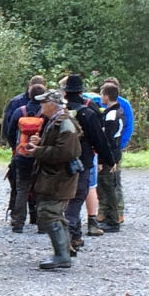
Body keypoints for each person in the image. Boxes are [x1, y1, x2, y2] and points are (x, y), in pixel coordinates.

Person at [28, 88, 82, 269]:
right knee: (54, 213)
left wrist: (38, 151)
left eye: (43, 102)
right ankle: (64, 252)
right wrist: (40, 144)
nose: (41, 105)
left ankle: (62, 256)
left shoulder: (65, 124)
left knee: (49, 212)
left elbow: (66, 152)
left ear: (52, 105)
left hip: (59, 178)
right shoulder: (57, 121)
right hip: (54, 176)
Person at [62, 74, 115, 254]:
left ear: (65, 92)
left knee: (67, 199)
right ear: (81, 91)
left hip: (60, 162)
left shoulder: (59, 111)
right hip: (83, 161)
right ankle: (68, 239)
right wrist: (108, 160)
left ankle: (76, 236)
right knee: (77, 198)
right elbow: (100, 139)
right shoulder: (89, 110)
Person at [4, 76, 46, 231]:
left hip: (22, 154)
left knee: (22, 188)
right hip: (41, 155)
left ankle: (18, 223)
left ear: (29, 94)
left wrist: (15, 148)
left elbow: (9, 132)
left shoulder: (19, 111)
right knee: (41, 188)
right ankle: (41, 223)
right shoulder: (45, 113)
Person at [97, 83, 124, 232]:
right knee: (107, 187)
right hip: (113, 154)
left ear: (107, 96)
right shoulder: (115, 112)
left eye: (102, 94)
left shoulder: (111, 115)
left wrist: (104, 159)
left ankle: (112, 221)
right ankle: (109, 218)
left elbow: (107, 140)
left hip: (110, 155)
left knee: (108, 188)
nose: (101, 97)